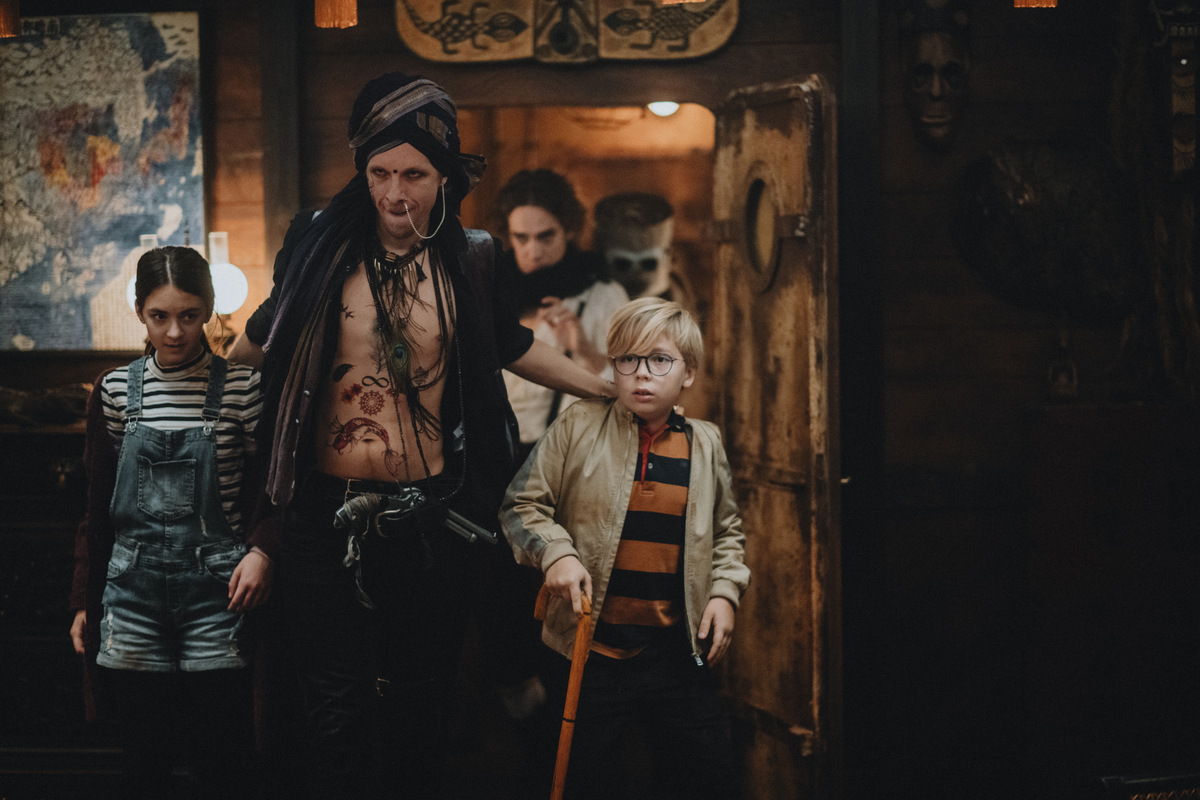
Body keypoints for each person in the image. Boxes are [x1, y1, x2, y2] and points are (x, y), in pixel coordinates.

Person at [226, 73, 612, 799]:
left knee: (419, 706)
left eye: (414, 175)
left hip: (428, 518)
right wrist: (189, 369)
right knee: (332, 712)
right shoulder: (317, 243)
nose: (395, 193)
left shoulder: (472, 257)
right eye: (379, 173)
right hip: (320, 514)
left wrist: (604, 388)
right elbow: (259, 339)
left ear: (445, 177)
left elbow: (511, 345)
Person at [500, 297, 751, 800]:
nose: (641, 373)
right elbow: (520, 505)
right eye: (627, 359)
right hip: (588, 654)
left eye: (659, 360)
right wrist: (556, 553)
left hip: (677, 655)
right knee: (583, 779)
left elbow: (727, 532)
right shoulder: (578, 425)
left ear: (688, 373)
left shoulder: (705, 444)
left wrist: (725, 592)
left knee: (706, 778)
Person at [69, 245, 272, 799]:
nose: (176, 331)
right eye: (159, 316)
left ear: (208, 309)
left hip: (219, 593)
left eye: (189, 315)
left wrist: (263, 550)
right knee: (144, 760)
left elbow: (273, 495)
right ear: (139, 311)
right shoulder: (114, 391)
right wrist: (85, 599)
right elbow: (95, 507)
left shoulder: (243, 389)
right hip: (130, 593)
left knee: (222, 759)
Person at [495, 169, 630, 454]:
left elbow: (630, 389)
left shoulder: (601, 295)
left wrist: (584, 349)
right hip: (496, 453)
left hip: (565, 454)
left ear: (569, 229)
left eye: (545, 237)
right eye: (521, 238)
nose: (533, 251)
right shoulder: (493, 289)